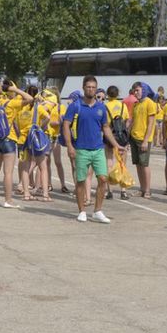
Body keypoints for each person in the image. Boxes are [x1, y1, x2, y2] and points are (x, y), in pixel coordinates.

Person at [62, 75, 117, 223]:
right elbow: (66, 125)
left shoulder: (101, 107)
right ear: (83, 88)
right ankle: (82, 211)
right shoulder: (76, 106)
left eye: (93, 87)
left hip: (98, 149)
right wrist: (69, 145)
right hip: (81, 149)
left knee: (103, 179)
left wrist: (116, 144)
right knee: (80, 181)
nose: (91, 89)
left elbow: (106, 128)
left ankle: (98, 211)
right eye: (88, 87)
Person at [0, 78, 29, 208]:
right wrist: (16, 89)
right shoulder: (14, 103)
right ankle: (8, 200)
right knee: (8, 172)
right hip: (9, 138)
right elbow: (30, 99)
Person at [129, 81, 159, 196]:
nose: (135, 93)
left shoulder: (150, 103)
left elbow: (151, 124)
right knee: (138, 164)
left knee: (144, 164)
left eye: (137, 90)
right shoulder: (136, 104)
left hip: (143, 139)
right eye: (134, 91)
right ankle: (142, 188)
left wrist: (146, 141)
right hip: (134, 137)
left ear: (144, 90)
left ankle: (147, 190)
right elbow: (133, 121)